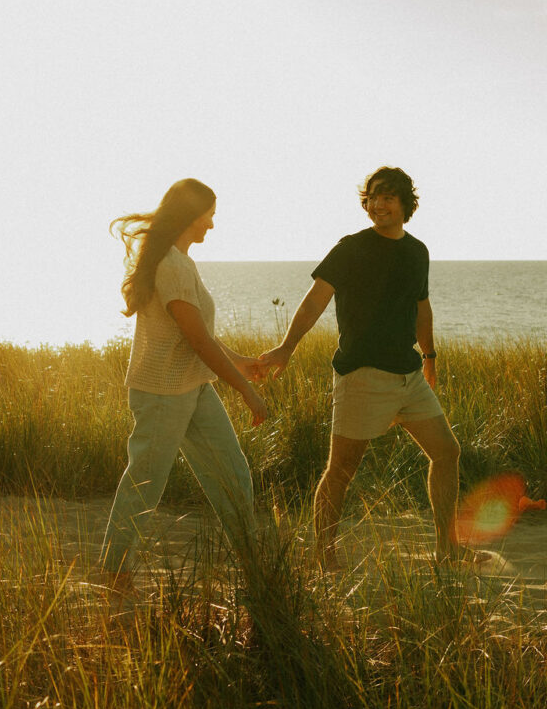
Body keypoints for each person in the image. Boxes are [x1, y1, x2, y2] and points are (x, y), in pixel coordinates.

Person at [259, 166, 478, 570]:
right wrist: (287, 347)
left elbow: (421, 307)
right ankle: (323, 555)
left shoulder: (417, 251)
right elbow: (314, 300)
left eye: (389, 197)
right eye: (374, 196)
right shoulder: (351, 248)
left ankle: (446, 550)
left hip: (409, 376)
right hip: (362, 375)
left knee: (447, 452)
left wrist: (429, 357)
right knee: (340, 470)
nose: (379, 204)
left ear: (405, 204)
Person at [99, 178, 268, 595]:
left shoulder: (181, 262)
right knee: (146, 481)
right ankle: (115, 570)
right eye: (209, 214)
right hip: (161, 394)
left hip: (193, 387)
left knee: (231, 472)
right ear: (192, 215)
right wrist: (245, 390)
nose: (212, 224)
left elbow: (200, 334)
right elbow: (197, 340)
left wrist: (242, 364)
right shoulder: (170, 266)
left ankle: (253, 567)